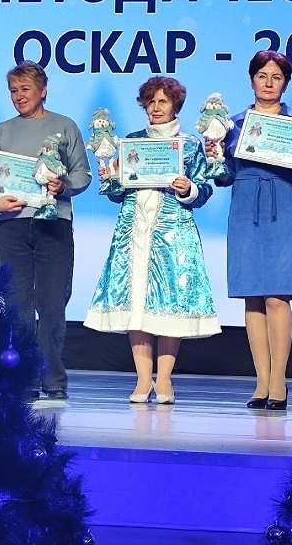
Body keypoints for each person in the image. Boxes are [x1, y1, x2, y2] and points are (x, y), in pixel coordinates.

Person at [84, 76, 219, 405]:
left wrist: (189, 189)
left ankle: (165, 379)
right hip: (134, 232)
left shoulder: (189, 145)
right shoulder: (131, 142)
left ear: (175, 105)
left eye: (163, 101)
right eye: (151, 101)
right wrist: (112, 178)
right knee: (137, 305)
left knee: (168, 304)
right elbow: (117, 193)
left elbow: (204, 189)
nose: (156, 108)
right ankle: (143, 379)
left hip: (173, 233)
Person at [211, 50, 292, 411]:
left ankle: (279, 381)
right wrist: (215, 154)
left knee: (278, 295)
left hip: (286, 205)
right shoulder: (232, 124)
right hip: (246, 208)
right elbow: (224, 176)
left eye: (276, 77)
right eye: (262, 76)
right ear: (252, 80)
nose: (269, 83)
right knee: (253, 296)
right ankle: (261, 381)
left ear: (285, 83)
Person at [0, 62, 91, 401]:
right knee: (17, 304)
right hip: (11, 226)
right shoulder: (1, 131)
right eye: (13, 90)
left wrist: (63, 185)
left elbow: (82, 174)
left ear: (43, 90)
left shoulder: (64, 126)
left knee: (52, 304)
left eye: (25, 89)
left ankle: (53, 378)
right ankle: (25, 376)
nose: (18, 96)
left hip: (53, 224)